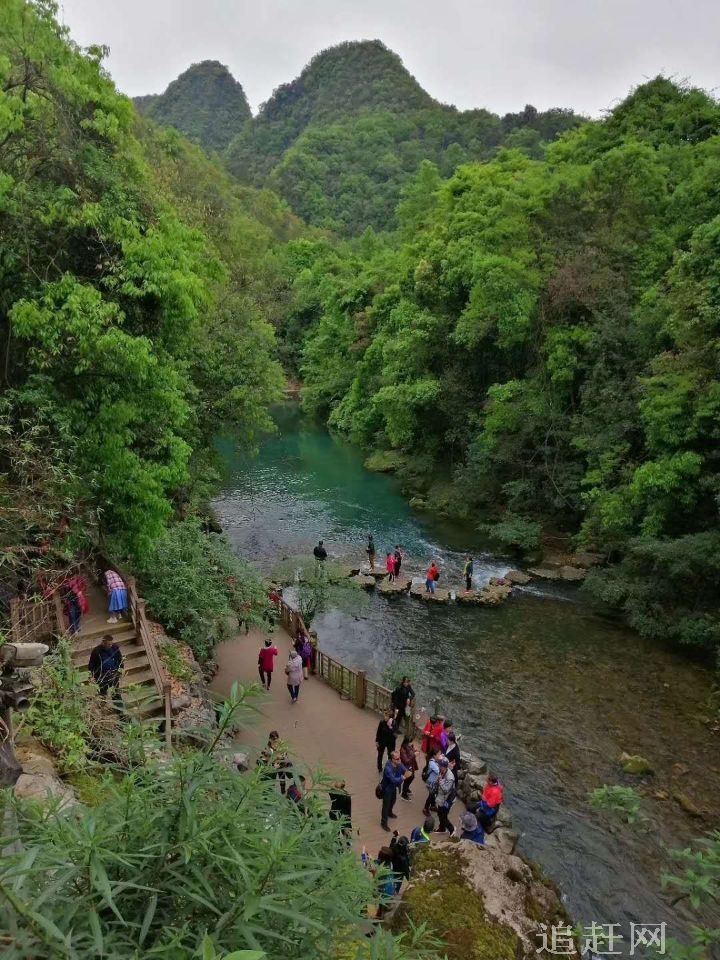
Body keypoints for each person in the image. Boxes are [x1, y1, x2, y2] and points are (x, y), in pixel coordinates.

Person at [379, 750, 411, 831]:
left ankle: (390, 813)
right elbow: (393, 780)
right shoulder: (388, 768)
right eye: (397, 759)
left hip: (393, 788)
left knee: (393, 801)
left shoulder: (399, 764)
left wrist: (408, 771)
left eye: (399, 758)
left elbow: (404, 770)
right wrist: (403, 777)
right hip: (387, 789)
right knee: (385, 806)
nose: (399, 760)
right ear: (392, 759)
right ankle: (383, 823)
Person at [88, 634, 124, 706]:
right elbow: (91, 664)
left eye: (111, 644)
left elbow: (120, 659)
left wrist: (120, 671)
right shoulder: (96, 651)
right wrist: (92, 676)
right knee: (102, 692)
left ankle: (120, 711)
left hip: (114, 675)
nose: (110, 645)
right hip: (102, 677)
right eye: (108, 644)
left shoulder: (115, 647)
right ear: (103, 643)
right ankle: (103, 705)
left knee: (116, 693)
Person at [434, 758, 457, 836]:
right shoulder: (442, 771)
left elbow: (446, 790)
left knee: (443, 816)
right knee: (440, 814)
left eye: (440, 766)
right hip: (441, 799)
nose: (439, 767)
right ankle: (442, 828)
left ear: (444, 767)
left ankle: (452, 830)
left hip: (447, 800)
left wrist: (440, 782)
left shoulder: (450, 777)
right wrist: (437, 781)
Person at [373, 847, 396, 919]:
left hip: (385, 892)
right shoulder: (389, 863)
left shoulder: (383, 871)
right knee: (382, 906)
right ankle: (380, 912)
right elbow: (377, 861)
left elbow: (377, 882)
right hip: (390, 888)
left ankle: (379, 921)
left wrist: (373, 873)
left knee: (383, 909)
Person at [421, 747, 442, 817]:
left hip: (434, 782)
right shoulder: (432, 762)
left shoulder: (435, 761)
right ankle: (425, 809)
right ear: (434, 755)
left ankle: (432, 806)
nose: (440, 755)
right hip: (431, 783)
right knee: (431, 796)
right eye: (439, 754)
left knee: (433, 794)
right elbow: (439, 771)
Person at [399, 735, 418, 800]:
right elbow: (406, 761)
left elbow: (411, 752)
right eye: (410, 742)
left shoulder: (409, 746)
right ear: (407, 742)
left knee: (411, 777)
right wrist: (414, 755)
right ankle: (404, 794)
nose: (411, 743)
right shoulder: (402, 749)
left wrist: (414, 750)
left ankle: (406, 789)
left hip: (411, 766)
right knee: (408, 779)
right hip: (406, 767)